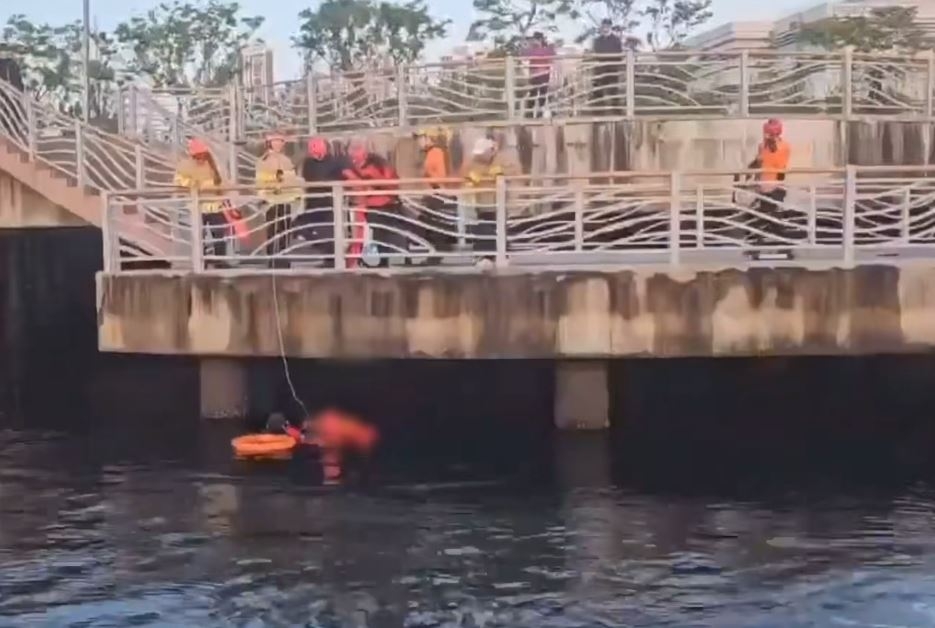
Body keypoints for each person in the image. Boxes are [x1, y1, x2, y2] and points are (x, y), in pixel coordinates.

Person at [342, 141, 402, 268]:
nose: (354, 158)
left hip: (378, 205)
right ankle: (378, 262)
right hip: (376, 205)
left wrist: (361, 179)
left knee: (376, 234)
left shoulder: (373, 167)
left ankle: (376, 262)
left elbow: (388, 184)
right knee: (377, 235)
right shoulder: (377, 165)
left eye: (356, 152)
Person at [461, 137, 520, 264]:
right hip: (482, 204)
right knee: (483, 228)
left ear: (490, 151)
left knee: (498, 228)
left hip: (499, 203)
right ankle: (483, 255)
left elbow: (513, 171)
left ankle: (502, 254)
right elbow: (467, 175)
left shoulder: (501, 159)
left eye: (482, 153)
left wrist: (500, 172)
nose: (480, 156)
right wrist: (473, 178)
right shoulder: (475, 162)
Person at [174, 138, 228, 262]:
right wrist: (196, 184)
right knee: (199, 237)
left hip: (215, 206)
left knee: (219, 236)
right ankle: (201, 263)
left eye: (202, 155)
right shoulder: (185, 165)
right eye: (197, 155)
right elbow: (178, 182)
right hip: (197, 206)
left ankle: (220, 262)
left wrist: (221, 191)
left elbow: (223, 181)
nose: (200, 158)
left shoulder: (213, 164)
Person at [255, 132, 300, 268]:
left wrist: (296, 195)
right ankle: (271, 259)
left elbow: (293, 180)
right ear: (269, 143)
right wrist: (269, 190)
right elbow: (259, 182)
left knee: (285, 231)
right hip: (271, 201)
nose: (278, 144)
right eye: (275, 142)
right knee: (272, 231)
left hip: (285, 200)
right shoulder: (263, 161)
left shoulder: (287, 160)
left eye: (280, 142)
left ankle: (284, 258)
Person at [299, 137, 346, 266]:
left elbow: (338, 179)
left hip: (329, 203)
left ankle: (331, 261)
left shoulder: (334, 162)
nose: (314, 150)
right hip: (313, 202)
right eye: (312, 147)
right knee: (299, 225)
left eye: (317, 147)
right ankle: (324, 253)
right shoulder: (308, 163)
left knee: (328, 233)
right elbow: (309, 179)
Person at [746, 118, 793, 248]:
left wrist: (777, 185)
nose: (766, 135)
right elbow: (758, 162)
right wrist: (749, 172)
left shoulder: (783, 146)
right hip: (763, 185)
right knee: (765, 215)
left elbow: (781, 167)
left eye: (769, 133)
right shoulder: (763, 146)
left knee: (771, 215)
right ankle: (766, 242)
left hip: (775, 186)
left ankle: (777, 242)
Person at [415, 127, 456, 264]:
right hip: (433, 194)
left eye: (420, 138)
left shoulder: (436, 152)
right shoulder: (432, 152)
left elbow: (441, 176)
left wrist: (428, 176)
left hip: (437, 194)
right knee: (429, 224)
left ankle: (439, 251)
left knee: (433, 225)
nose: (418, 142)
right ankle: (437, 251)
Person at [521, 32, 556, 118]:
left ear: (540, 40)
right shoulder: (532, 50)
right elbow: (524, 55)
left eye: (535, 40)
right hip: (536, 75)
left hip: (543, 74)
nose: (533, 41)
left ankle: (539, 111)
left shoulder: (545, 50)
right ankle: (530, 112)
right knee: (533, 93)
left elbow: (553, 56)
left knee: (542, 93)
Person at [592, 19, 623, 112]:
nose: (605, 28)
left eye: (607, 26)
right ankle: (597, 112)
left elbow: (619, 54)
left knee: (613, 92)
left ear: (610, 27)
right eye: (604, 26)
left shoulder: (616, 40)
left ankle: (617, 112)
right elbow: (596, 53)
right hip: (600, 69)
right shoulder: (597, 40)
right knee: (597, 92)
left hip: (612, 69)